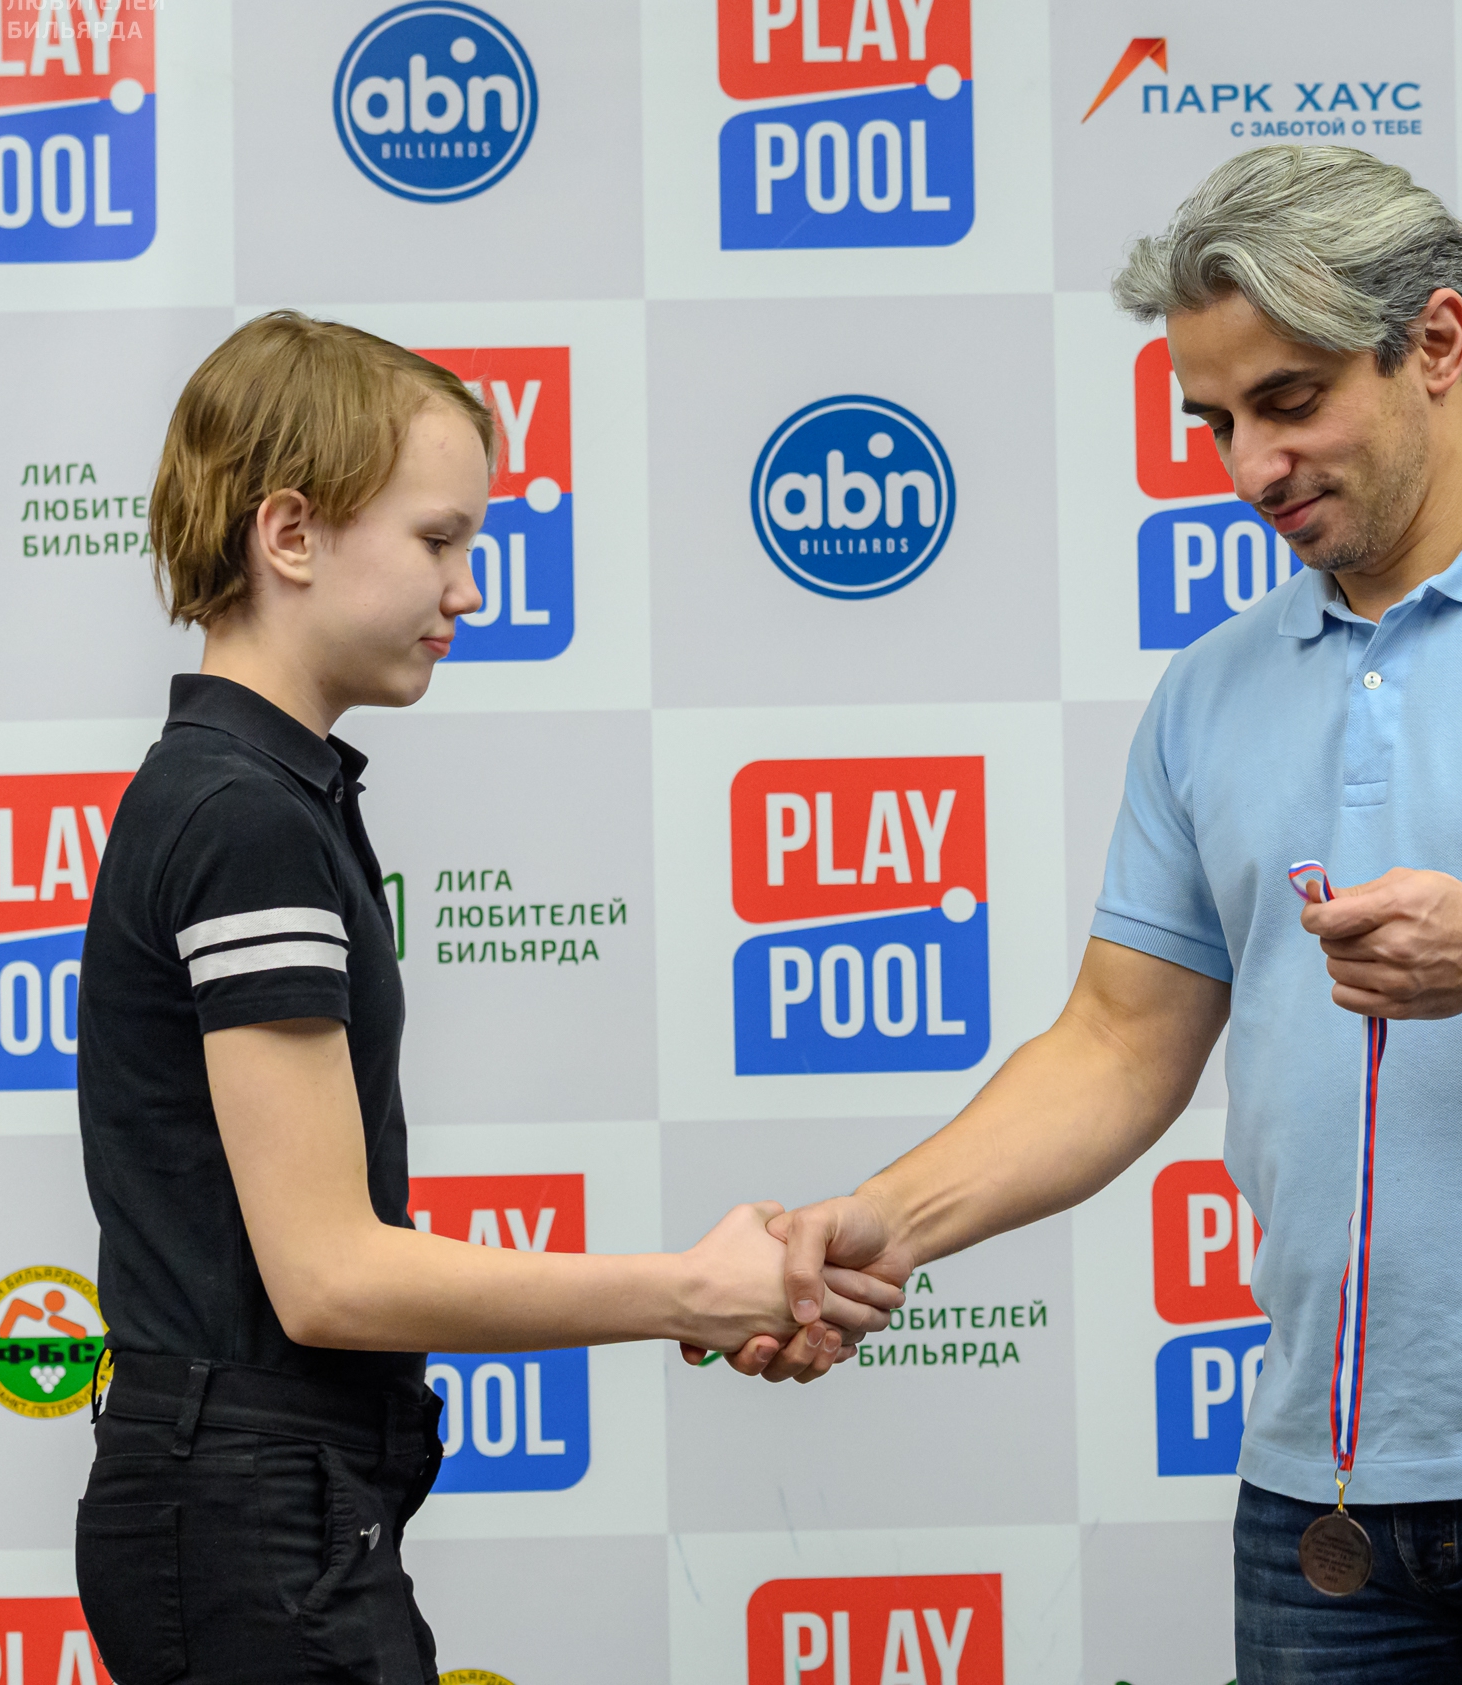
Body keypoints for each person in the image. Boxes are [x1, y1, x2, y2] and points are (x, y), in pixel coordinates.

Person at [766, 147, 1462, 1683]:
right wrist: (883, 1227)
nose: (1248, 468)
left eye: (1288, 403)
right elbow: (1116, 1045)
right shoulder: (1211, 689)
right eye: (1215, 423)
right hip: (1321, 1493)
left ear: (1436, 343)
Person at [72, 312, 900, 1685]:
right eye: (439, 540)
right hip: (248, 1516)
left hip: (264, 1506)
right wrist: (691, 1291)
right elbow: (330, 1278)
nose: (471, 591)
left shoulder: (255, 795)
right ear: (291, 534)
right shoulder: (244, 817)